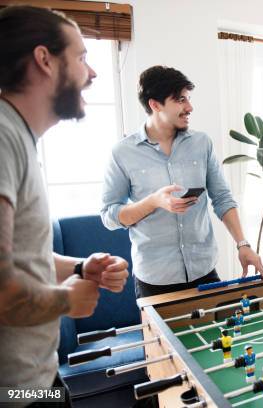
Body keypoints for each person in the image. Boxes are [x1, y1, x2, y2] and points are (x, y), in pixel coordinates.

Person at [0, 5, 129, 405]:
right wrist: (68, 300)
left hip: (38, 380)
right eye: (82, 57)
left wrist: (78, 266)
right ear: (44, 60)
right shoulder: (3, 136)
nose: (92, 73)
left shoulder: (19, 138)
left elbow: (24, 255)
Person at [100, 65, 263, 298]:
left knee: (220, 336)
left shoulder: (202, 143)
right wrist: (153, 202)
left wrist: (242, 243)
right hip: (155, 280)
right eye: (180, 100)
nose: (189, 107)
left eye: (188, 99)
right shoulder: (122, 153)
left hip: (204, 271)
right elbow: (109, 216)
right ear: (155, 104)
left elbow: (222, 198)